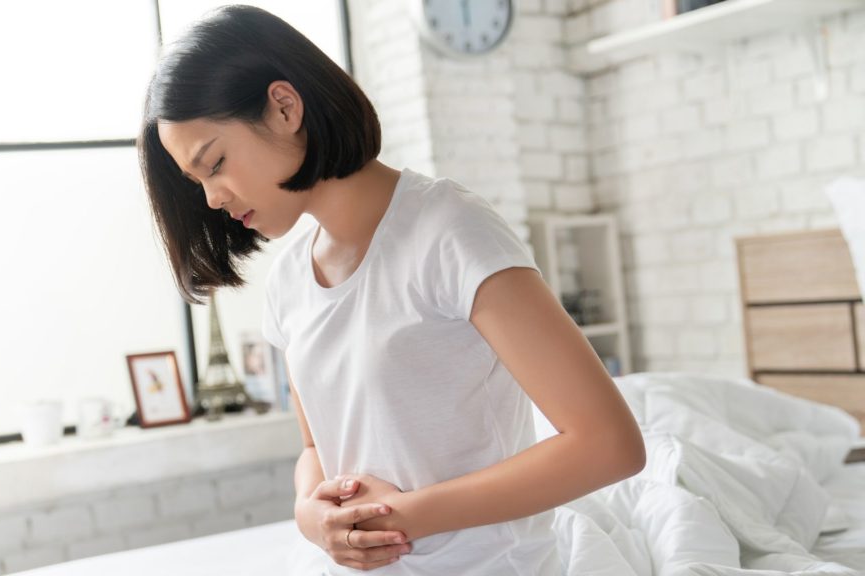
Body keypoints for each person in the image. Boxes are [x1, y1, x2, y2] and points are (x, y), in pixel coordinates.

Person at [137, 5, 645, 575]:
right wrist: (310, 514)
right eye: (197, 180)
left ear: (284, 107)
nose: (212, 199)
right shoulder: (289, 284)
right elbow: (315, 450)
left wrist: (406, 516)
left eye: (216, 163)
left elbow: (608, 444)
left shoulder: (449, 230)